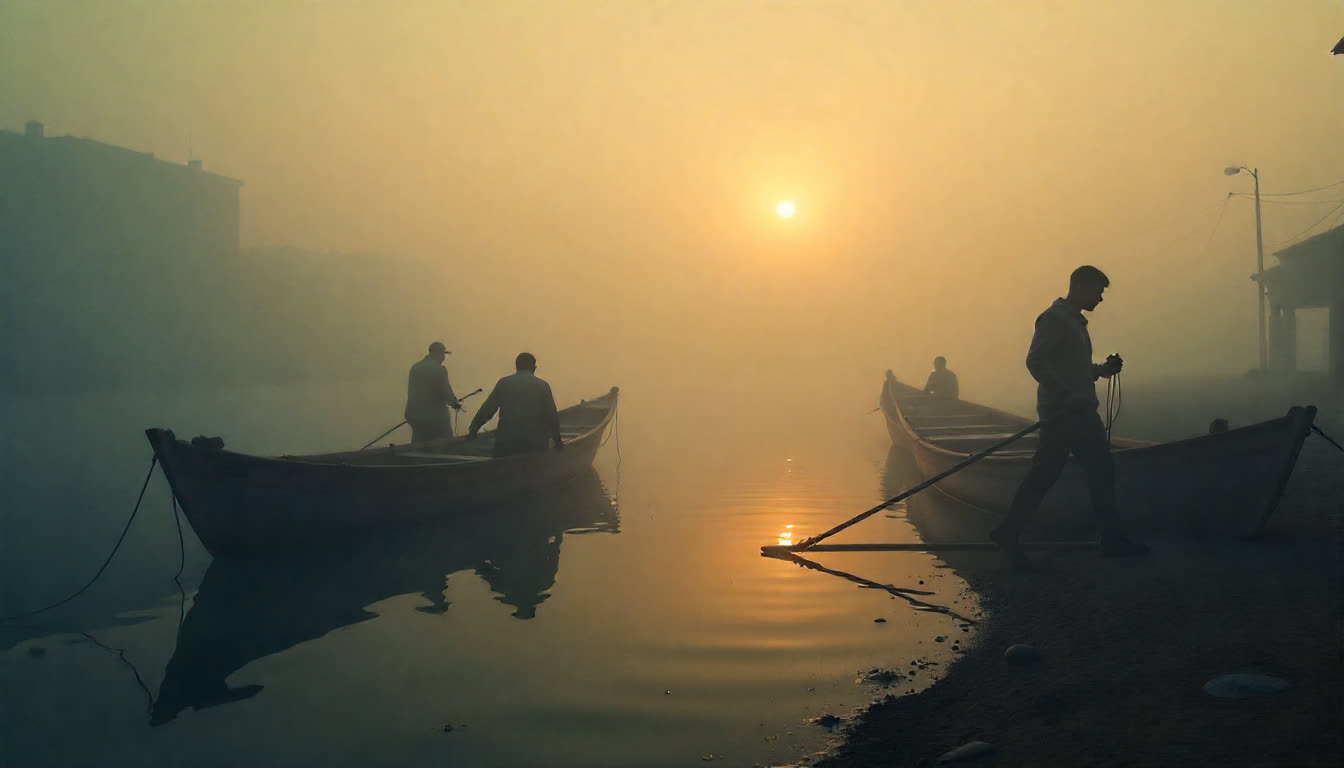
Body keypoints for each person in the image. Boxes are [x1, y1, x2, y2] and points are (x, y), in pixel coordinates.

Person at [990, 265, 1149, 569]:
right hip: (1064, 414)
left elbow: (1072, 368)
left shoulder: (1073, 322)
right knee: (1052, 474)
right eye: (1098, 292)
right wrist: (1066, 395)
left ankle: (1109, 540)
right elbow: (1035, 360)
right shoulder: (1054, 319)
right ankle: (1009, 532)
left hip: (1078, 412)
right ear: (1080, 286)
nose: (1101, 299)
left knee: (1095, 472)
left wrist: (1101, 370)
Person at [466, 352, 563, 457]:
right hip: (534, 444)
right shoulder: (543, 385)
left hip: (506, 444)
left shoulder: (504, 383)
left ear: (517, 367)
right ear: (533, 368)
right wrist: (557, 441)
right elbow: (552, 416)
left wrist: (473, 429)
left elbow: (488, 409)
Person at [405, 341, 460, 444]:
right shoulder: (439, 370)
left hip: (415, 416)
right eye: (443, 354)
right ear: (438, 354)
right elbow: (446, 392)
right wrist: (455, 404)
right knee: (447, 444)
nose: (444, 357)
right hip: (435, 418)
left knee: (418, 445)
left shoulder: (415, 368)